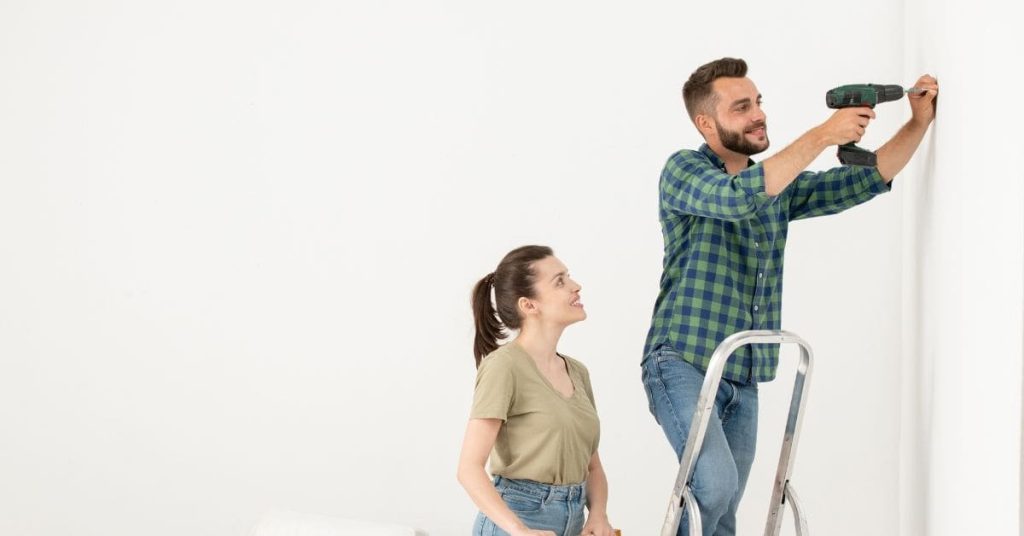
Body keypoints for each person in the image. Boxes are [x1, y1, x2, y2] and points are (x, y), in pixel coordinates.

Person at [641, 57, 937, 536]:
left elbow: (862, 181)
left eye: (757, 102)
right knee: (712, 486)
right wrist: (824, 134)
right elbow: (736, 198)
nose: (758, 113)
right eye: (741, 107)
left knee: (724, 511)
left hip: (744, 371)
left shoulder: (779, 186)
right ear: (706, 122)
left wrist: (917, 123)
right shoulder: (683, 171)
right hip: (683, 360)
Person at [457, 245, 615, 536]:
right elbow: (469, 469)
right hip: (517, 518)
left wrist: (599, 515)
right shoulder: (503, 366)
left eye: (569, 277)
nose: (576, 286)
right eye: (560, 281)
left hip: (574, 520)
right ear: (529, 305)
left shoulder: (578, 372)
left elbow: (593, 467)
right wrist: (519, 531)